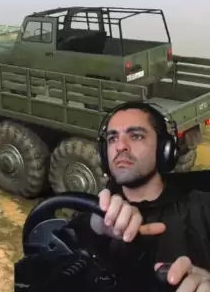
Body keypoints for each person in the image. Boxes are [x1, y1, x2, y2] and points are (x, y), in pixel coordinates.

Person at [71, 101, 210, 292]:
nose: (120, 146)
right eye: (112, 138)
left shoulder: (202, 209)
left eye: (136, 136)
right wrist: (94, 227)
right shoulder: (92, 217)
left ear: (164, 149)